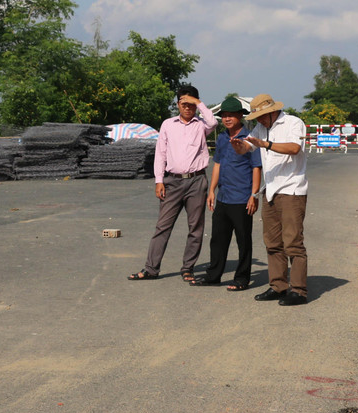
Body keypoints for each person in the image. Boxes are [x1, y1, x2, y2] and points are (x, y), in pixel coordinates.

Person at [128, 85, 217, 282]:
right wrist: (159, 180)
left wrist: (198, 103)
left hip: (196, 181)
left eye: (191, 104)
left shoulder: (201, 125)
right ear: (178, 104)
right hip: (172, 181)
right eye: (184, 104)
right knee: (163, 226)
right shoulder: (168, 124)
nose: (188, 108)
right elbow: (160, 153)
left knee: (195, 228)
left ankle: (188, 268)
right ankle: (151, 268)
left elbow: (213, 122)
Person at [229, 93, 308, 306]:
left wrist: (266, 144)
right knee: (272, 242)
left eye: (263, 116)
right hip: (270, 190)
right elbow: (248, 147)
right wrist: (239, 147)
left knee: (293, 242)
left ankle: (299, 290)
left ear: (273, 112)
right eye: (257, 118)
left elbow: (294, 148)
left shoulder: (293, 123)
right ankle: (278, 285)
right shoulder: (260, 127)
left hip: (292, 190)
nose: (260, 121)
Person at [190, 96, 261, 290]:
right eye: (224, 116)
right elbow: (218, 164)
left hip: (242, 198)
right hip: (223, 197)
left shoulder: (249, 139)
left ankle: (242, 279)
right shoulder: (222, 138)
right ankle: (213, 276)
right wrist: (212, 191)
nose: (227, 119)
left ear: (240, 116)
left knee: (243, 241)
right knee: (218, 240)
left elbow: (256, 168)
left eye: (231, 115)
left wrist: (254, 196)